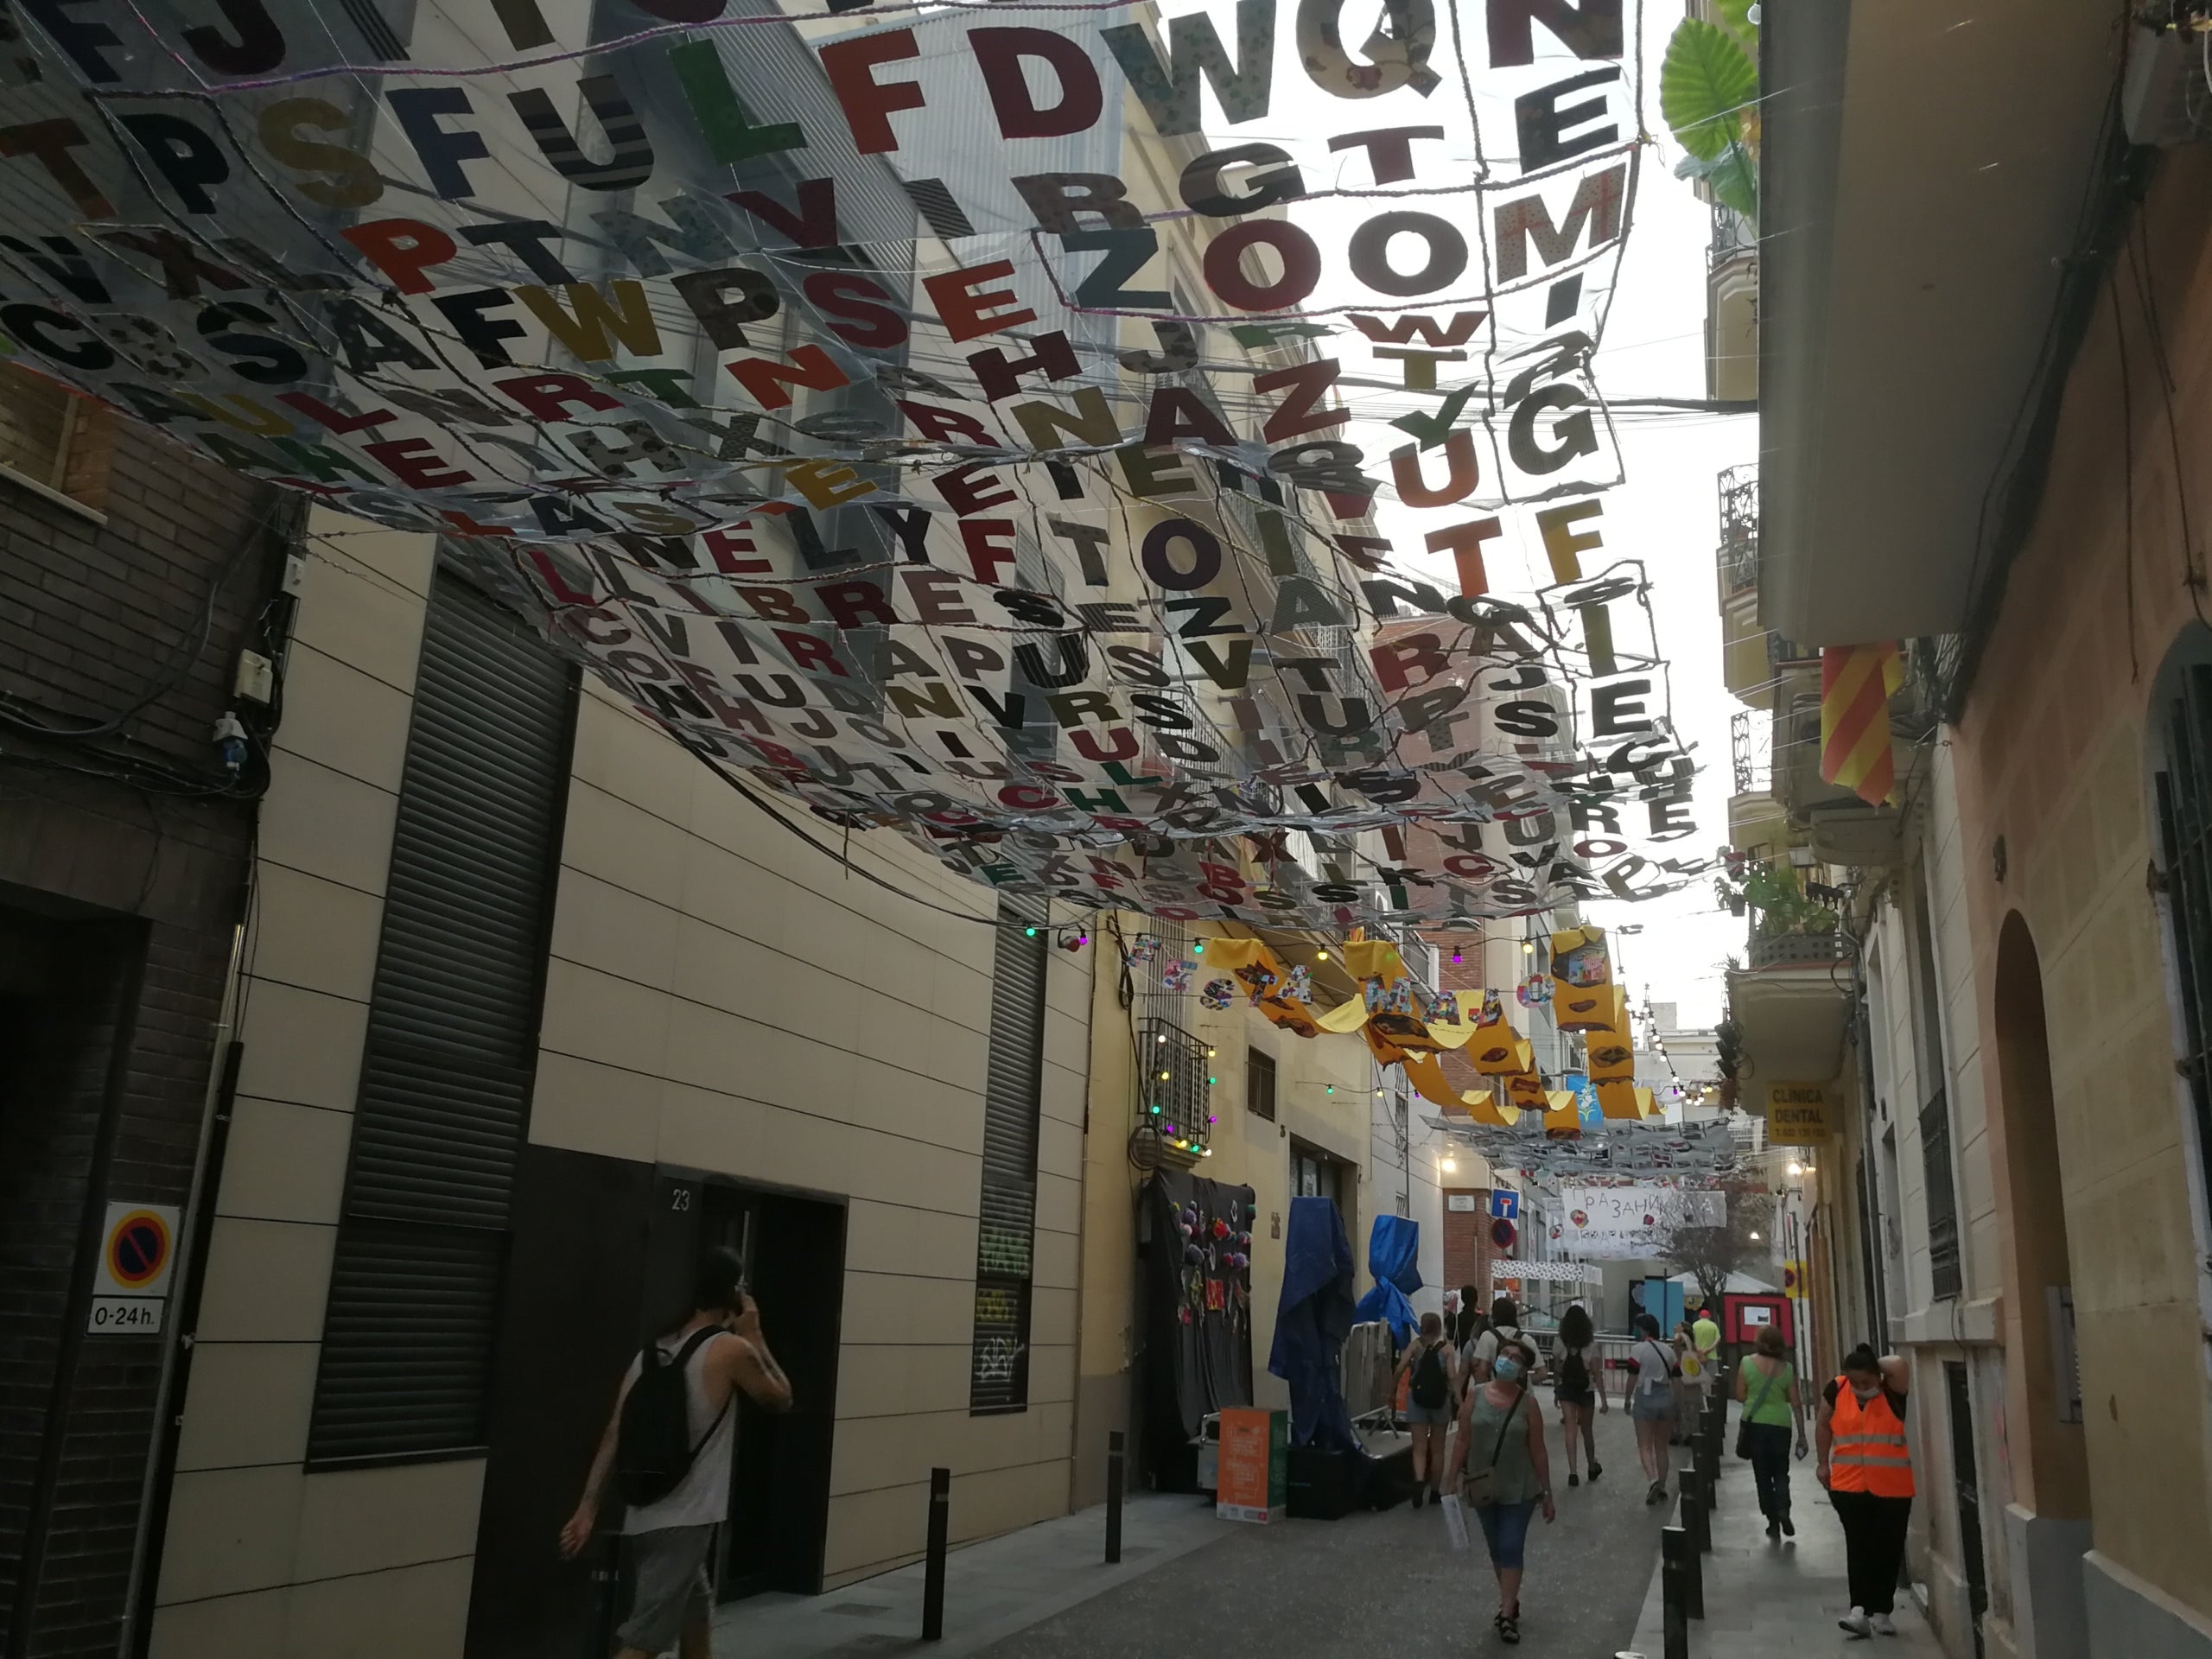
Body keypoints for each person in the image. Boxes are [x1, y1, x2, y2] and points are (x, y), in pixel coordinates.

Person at [561, 1247, 794, 1659]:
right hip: (686, 1520)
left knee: (696, 1618)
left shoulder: (651, 1354)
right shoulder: (730, 1351)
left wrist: (588, 1507)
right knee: (644, 1641)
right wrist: (754, 1335)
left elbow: (615, 1431)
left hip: (644, 1517)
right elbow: (780, 1399)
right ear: (732, 1293)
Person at [1446, 1335, 1554, 1644]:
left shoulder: (1528, 1405)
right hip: (1482, 1485)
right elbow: (1464, 1438)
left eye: (1515, 1358)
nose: (1508, 1360)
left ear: (1522, 1370)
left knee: (1510, 1545)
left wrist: (1547, 1493)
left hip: (1520, 1488)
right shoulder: (1475, 1395)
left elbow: (1539, 1452)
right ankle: (1510, 1596)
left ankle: (1506, 1613)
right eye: (1504, 1354)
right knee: (1496, 1548)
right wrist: (1451, 1476)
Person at [1817, 1344, 1915, 1639]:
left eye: (1867, 1381)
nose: (1860, 1388)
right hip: (1849, 1485)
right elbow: (1823, 1424)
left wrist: (1871, 1362)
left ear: (1878, 1376)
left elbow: (1898, 1363)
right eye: (1855, 1382)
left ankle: (1882, 1611)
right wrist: (1823, 1464)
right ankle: (1859, 1609)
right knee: (1859, 1546)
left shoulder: (1893, 1391)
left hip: (1893, 1487)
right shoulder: (1836, 1389)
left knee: (1888, 1547)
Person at [1735, 1324, 1808, 1538]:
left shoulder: (1747, 1363)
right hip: (1781, 1425)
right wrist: (1802, 1435)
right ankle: (1784, 1509)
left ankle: (1772, 1521)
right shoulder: (1787, 1369)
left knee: (1762, 1475)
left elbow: (1740, 1395)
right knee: (1781, 1472)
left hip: (1755, 1425)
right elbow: (1796, 1403)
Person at [1395, 1311, 1459, 1507]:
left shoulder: (1415, 1346)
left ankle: (1418, 1486)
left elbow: (1400, 1368)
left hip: (1417, 1400)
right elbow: (1452, 1376)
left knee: (1419, 1448)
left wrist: (1391, 1391)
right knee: (1438, 1450)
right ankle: (1434, 1492)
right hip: (1440, 1401)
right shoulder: (1447, 1350)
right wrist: (1460, 1400)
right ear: (1440, 1328)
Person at [1627, 1313, 1681, 1503]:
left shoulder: (1637, 1350)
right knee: (1661, 1447)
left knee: (1644, 1445)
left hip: (1645, 1399)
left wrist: (1627, 1399)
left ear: (1643, 1329)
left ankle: (1653, 1481)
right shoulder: (1668, 1351)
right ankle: (1663, 1485)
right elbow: (1677, 1379)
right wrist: (1677, 1405)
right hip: (1666, 1399)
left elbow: (1632, 1377)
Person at [1553, 1302, 1601, 1486]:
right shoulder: (1591, 1345)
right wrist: (1603, 1399)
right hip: (1586, 1390)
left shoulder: (1559, 1342)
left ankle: (1573, 1472)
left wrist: (1557, 1391)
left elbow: (1557, 1369)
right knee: (1587, 1430)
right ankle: (1591, 1466)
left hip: (1566, 1389)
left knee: (1570, 1430)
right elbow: (1596, 1373)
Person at [1465, 1295, 1539, 1387]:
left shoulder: (1487, 1336)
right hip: (1522, 1394)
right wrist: (1520, 1377)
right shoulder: (1527, 1339)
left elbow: (1482, 1371)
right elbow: (1542, 1373)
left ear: (1494, 1317)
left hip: (1496, 1392)